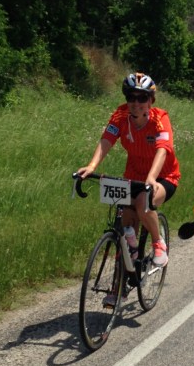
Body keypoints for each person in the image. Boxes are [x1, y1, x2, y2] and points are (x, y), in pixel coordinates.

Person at [76, 72, 180, 275]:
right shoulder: (121, 116)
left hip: (163, 176)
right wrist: (92, 166)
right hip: (133, 175)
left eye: (142, 98)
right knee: (124, 222)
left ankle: (158, 243)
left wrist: (151, 178)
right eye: (131, 97)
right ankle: (122, 280)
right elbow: (107, 139)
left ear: (151, 100)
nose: (136, 102)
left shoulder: (160, 118)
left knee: (143, 203)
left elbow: (163, 149)